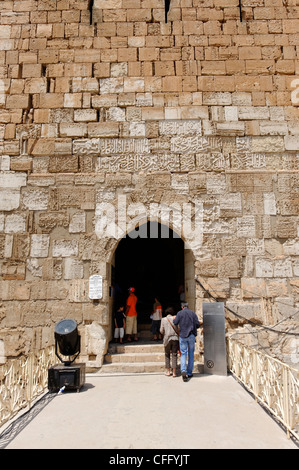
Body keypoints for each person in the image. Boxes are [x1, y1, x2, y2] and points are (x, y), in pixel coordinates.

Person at [173, 302, 200, 381]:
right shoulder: (192, 313)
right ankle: (189, 372)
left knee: (183, 354)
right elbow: (197, 324)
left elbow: (175, 322)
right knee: (191, 354)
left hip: (183, 335)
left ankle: (183, 370)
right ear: (188, 306)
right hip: (191, 335)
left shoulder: (180, 313)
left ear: (182, 307)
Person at [160, 307, 179, 377]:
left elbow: (161, 330)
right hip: (175, 338)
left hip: (167, 339)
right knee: (174, 354)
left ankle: (168, 371)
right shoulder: (175, 318)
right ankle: (174, 372)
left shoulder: (163, 319)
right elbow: (178, 328)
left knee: (167, 354)